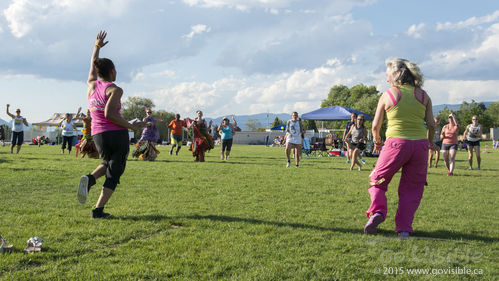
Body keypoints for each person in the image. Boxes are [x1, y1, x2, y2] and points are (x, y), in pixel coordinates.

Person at [364, 58, 438, 238]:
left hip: (395, 144)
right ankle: (404, 230)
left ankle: (378, 212)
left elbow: (375, 125)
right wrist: (430, 142)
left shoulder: (388, 94)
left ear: (396, 75)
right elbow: (431, 124)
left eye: (387, 74)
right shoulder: (423, 95)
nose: (386, 78)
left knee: (377, 180)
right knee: (412, 188)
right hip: (420, 145)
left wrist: (376, 141)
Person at [77, 30, 144, 219]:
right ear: (112, 71)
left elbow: (92, 65)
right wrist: (131, 127)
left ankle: (89, 179)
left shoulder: (91, 84)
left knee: (106, 163)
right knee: (114, 173)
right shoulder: (115, 89)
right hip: (116, 134)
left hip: (98, 135)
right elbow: (110, 114)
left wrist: (96, 47)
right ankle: (98, 211)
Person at [441, 111, 459, 176]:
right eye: (449, 118)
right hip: (445, 143)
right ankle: (449, 170)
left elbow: (456, 124)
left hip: (453, 144)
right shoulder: (445, 127)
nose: (450, 119)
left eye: (452, 118)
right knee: (445, 159)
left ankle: (451, 172)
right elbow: (441, 137)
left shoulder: (456, 126)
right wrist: (442, 135)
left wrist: (453, 115)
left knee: (451, 158)